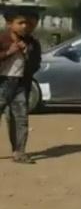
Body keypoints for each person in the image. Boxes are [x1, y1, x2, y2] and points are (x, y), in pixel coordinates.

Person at [0, 9, 41, 164]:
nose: (25, 26)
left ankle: (19, 152)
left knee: (20, 118)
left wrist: (27, 53)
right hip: (2, 82)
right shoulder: (2, 39)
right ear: (9, 24)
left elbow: (36, 64)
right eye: (20, 23)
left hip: (21, 84)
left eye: (27, 23)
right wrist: (9, 52)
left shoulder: (32, 43)